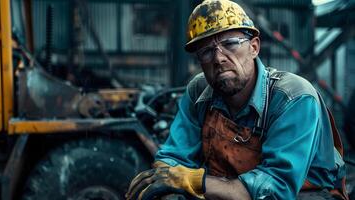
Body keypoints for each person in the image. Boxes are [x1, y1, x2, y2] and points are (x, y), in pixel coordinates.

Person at [125, 0, 349, 199]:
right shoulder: (199, 91)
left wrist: (193, 181)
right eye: (206, 51)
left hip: (305, 193)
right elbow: (174, 156)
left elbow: (275, 189)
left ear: (254, 47)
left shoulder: (293, 98)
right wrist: (164, 180)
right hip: (231, 188)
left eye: (230, 43)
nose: (219, 58)